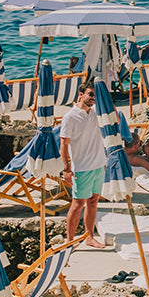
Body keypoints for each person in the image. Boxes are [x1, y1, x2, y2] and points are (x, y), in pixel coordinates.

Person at [60, 82, 107, 249]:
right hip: (82, 167)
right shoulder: (70, 117)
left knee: (93, 201)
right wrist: (66, 169)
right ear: (81, 94)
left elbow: (112, 113)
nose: (93, 98)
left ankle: (89, 236)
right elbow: (64, 144)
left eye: (95, 95)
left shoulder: (96, 113)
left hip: (99, 164)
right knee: (78, 203)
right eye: (90, 94)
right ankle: (69, 240)